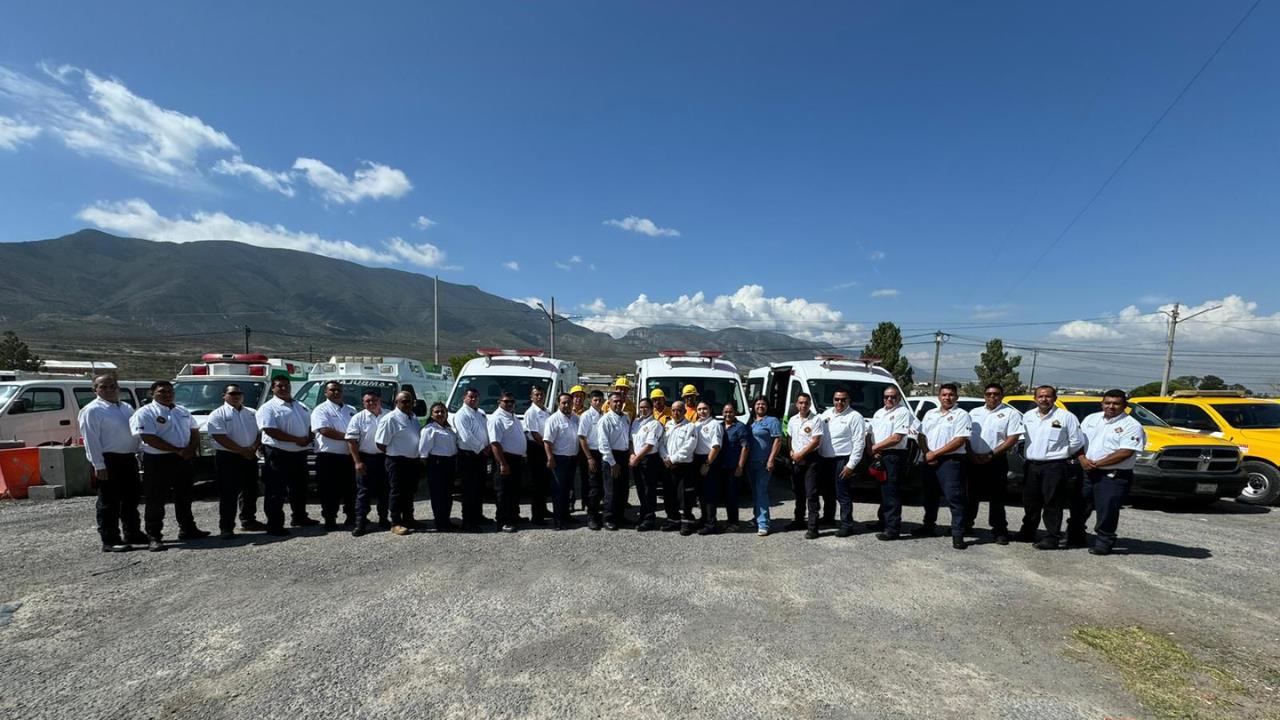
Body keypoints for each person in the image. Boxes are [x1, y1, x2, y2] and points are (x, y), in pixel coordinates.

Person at [129, 380, 206, 551]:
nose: (167, 394)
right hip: (158, 461)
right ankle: (154, 536)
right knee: (156, 499)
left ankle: (187, 529)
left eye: (170, 391)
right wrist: (176, 450)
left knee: (184, 496)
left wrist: (191, 448)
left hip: (183, 459)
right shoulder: (145, 412)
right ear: (152, 394)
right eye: (162, 391)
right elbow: (148, 437)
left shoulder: (182, 411)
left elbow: (194, 431)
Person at [78, 374, 144, 552]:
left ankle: (133, 532)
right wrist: (98, 465)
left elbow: (133, 432)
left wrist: (139, 451)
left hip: (128, 458)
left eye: (112, 386)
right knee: (109, 501)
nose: (108, 389)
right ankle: (110, 539)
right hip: (108, 460)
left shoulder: (126, 407)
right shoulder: (92, 410)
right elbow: (90, 440)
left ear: (118, 388)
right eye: (103, 386)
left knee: (131, 498)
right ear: (95, 390)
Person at [1016, 385, 1085, 550]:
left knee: (1052, 502)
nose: (1044, 399)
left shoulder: (1066, 417)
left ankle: (1051, 537)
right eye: (1040, 396)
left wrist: (1060, 453)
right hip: (1032, 465)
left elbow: (1076, 441)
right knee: (1030, 502)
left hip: (1054, 466)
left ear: (1054, 398)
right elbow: (1021, 438)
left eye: (1047, 396)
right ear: (1035, 398)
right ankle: (1028, 532)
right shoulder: (1028, 416)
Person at [1079, 390, 1146, 556]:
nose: (1111, 406)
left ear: (1125, 406)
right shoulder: (1091, 419)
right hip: (1087, 470)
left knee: (1107, 509)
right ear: (1102, 403)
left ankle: (1104, 542)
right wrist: (1081, 458)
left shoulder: (1132, 425)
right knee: (1079, 506)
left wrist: (1098, 464)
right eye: (1107, 402)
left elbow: (1126, 452)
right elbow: (1078, 440)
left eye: (1116, 403)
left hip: (1113, 475)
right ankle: (1075, 535)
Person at [966, 383, 1023, 545]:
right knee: (970, 496)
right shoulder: (974, 413)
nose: (992, 397)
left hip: (996, 460)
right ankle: (966, 525)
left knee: (997, 497)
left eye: (996, 394)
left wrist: (991, 454)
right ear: (984, 395)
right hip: (974, 459)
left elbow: (1012, 438)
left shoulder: (1010, 414)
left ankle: (999, 530)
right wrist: (971, 454)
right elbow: (966, 436)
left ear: (1002, 396)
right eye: (989, 394)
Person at [917, 383, 973, 549]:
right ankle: (928, 526)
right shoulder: (930, 413)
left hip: (951, 461)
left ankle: (957, 534)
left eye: (951, 395)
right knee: (929, 496)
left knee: (954, 498)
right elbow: (921, 435)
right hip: (929, 459)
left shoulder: (961, 415)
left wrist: (936, 454)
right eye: (944, 395)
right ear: (939, 397)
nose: (947, 397)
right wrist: (927, 452)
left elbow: (959, 440)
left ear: (956, 397)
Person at [206, 383, 263, 539]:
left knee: (250, 490)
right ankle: (226, 527)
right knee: (228, 493)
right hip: (228, 457)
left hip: (250, 455)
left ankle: (248, 521)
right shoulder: (217, 414)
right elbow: (219, 436)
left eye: (239, 393)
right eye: (232, 394)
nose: (237, 396)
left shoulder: (252, 412)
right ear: (224, 396)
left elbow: (259, 433)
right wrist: (241, 450)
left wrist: (253, 448)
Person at [258, 377, 315, 533]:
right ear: (273, 389)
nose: (283, 388)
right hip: (278, 453)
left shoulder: (300, 405)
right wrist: (297, 439)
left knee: (300, 488)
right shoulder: (268, 407)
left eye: (286, 386)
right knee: (276, 490)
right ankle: (274, 525)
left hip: (300, 453)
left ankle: (299, 517)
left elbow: (310, 424)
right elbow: (270, 430)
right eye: (279, 386)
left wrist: (309, 437)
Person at [819, 388, 868, 538]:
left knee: (843, 494)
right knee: (827, 492)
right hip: (825, 459)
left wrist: (851, 465)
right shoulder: (826, 414)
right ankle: (828, 517)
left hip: (842, 459)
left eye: (843, 399)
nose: (839, 402)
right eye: (836, 399)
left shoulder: (855, 417)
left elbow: (859, 442)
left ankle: (847, 525)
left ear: (849, 401)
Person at [311, 381, 357, 531]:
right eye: (332, 390)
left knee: (351, 489)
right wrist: (349, 438)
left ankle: (351, 516)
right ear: (326, 392)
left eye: (338, 390)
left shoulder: (351, 410)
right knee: (329, 490)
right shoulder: (320, 410)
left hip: (348, 456)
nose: (336, 392)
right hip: (328, 457)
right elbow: (324, 430)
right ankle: (330, 519)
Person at [375, 391, 422, 536]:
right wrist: (395, 453)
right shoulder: (391, 419)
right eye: (404, 401)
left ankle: (408, 518)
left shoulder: (413, 417)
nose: (408, 404)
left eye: (410, 401)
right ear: (396, 403)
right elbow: (380, 443)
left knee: (409, 491)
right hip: (397, 461)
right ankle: (395, 522)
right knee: (396, 492)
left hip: (412, 461)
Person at [869, 386, 913, 541]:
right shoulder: (879, 413)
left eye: (893, 397)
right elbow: (874, 434)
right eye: (886, 397)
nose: (889, 399)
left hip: (894, 456)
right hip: (880, 455)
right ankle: (883, 521)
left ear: (899, 398)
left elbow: (896, 438)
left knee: (892, 492)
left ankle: (892, 529)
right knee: (882, 491)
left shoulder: (902, 412)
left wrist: (875, 447)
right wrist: (876, 450)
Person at [345, 389, 389, 536]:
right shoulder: (358, 418)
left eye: (374, 400)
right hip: (366, 458)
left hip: (386, 459)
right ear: (363, 403)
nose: (371, 403)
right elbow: (351, 441)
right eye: (367, 401)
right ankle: (360, 524)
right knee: (363, 493)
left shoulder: (389, 415)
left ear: (379, 400)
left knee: (385, 491)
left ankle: (384, 520)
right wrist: (357, 462)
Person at [787, 393, 824, 539]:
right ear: (796, 404)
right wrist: (791, 452)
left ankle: (813, 528)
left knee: (811, 494)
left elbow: (816, 441)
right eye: (801, 403)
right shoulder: (792, 420)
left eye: (806, 403)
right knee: (798, 492)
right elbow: (789, 438)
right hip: (795, 458)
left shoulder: (816, 419)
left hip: (810, 460)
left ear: (810, 404)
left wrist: (801, 455)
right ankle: (798, 520)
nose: (803, 406)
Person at [453, 387, 491, 532]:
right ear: (464, 398)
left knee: (479, 488)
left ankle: (478, 516)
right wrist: (482, 447)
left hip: (481, 455)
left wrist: (487, 446)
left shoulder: (480, 413)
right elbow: (466, 437)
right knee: (469, 490)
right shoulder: (461, 415)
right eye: (471, 397)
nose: (473, 399)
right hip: (469, 455)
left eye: (476, 397)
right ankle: (468, 521)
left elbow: (486, 431)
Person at [659, 400, 699, 535]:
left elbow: (689, 447)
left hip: (684, 466)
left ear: (684, 411)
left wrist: (673, 459)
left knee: (685, 496)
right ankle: (673, 520)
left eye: (679, 410)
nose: (676, 413)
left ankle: (686, 523)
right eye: (674, 410)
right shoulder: (668, 425)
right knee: (669, 494)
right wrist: (665, 457)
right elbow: (661, 444)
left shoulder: (690, 427)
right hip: (668, 466)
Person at [488, 391, 526, 533]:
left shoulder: (512, 415)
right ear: (499, 402)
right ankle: (503, 521)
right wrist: (503, 463)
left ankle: (514, 516)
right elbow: (495, 443)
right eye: (506, 401)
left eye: (512, 401)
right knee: (503, 492)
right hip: (505, 458)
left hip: (516, 459)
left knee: (514, 490)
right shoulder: (497, 418)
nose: (509, 404)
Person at [419, 401, 459, 532]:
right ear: (431, 414)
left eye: (442, 411)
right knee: (438, 495)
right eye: (437, 412)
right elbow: (423, 452)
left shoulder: (448, 429)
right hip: (437, 464)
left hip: (449, 463)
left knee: (448, 495)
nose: (440, 414)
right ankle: (440, 523)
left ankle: (446, 520)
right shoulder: (429, 429)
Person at [542, 392, 580, 530]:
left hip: (572, 458)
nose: (567, 405)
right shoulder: (553, 419)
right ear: (559, 403)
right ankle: (558, 521)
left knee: (568, 489)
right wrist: (550, 458)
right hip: (559, 459)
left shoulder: (575, 418)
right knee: (558, 490)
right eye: (564, 402)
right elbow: (547, 441)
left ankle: (566, 515)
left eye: (569, 402)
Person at [596, 391, 633, 531]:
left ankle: (620, 516)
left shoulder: (625, 418)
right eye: (614, 401)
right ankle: (608, 519)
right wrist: (612, 463)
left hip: (623, 456)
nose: (618, 404)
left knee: (623, 490)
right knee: (611, 490)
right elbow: (603, 444)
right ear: (609, 403)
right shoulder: (605, 420)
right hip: (611, 457)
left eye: (620, 401)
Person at [746, 397, 782, 537]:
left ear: (767, 406)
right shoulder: (752, 422)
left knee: (761, 492)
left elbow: (777, 440)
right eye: (758, 404)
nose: (760, 406)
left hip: (764, 463)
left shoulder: (772, 421)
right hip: (751, 463)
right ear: (753, 406)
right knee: (755, 493)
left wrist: (771, 459)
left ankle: (764, 524)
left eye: (763, 404)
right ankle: (757, 517)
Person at [712, 402, 750, 532]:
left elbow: (745, 448)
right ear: (722, 413)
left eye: (731, 412)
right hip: (720, 467)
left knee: (731, 496)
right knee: (723, 495)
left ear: (735, 413)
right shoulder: (719, 426)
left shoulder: (740, 427)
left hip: (733, 467)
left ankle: (734, 523)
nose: (728, 414)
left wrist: (740, 467)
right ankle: (728, 521)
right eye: (725, 412)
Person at [629, 396, 665, 531]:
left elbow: (650, 445)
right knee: (640, 489)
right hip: (636, 459)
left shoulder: (655, 424)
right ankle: (643, 515)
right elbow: (631, 441)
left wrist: (636, 458)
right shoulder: (636, 422)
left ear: (652, 409)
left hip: (648, 460)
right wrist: (632, 455)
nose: (643, 410)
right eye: (641, 407)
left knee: (649, 490)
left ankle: (649, 519)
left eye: (646, 407)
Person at [692, 401, 724, 535]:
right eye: (699, 409)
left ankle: (711, 524)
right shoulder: (697, 424)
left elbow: (716, 447)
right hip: (697, 459)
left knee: (710, 493)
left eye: (705, 409)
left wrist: (707, 464)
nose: (702, 412)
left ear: (710, 409)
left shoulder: (714, 425)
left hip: (709, 460)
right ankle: (704, 518)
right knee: (701, 493)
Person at [523, 386, 552, 525]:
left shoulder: (547, 411)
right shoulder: (531, 412)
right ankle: (537, 516)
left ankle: (543, 509)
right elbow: (534, 433)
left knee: (544, 483)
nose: (539, 397)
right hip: (537, 449)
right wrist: (547, 448)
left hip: (546, 448)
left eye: (541, 394)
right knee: (537, 484)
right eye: (536, 395)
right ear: (531, 397)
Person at [577, 390, 605, 526]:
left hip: (602, 453)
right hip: (590, 453)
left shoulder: (604, 415)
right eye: (595, 400)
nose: (598, 402)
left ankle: (597, 512)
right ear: (590, 401)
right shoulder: (586, 416)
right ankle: (591, 517)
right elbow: (582, 437)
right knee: (592, 485)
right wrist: (589, 458)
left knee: (600, 485)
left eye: (600, 400)